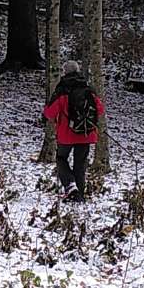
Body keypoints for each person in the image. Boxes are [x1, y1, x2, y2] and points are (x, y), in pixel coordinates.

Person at [42, 60, 104, 202]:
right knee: (80, 164)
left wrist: (46, 111)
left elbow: (50, 113)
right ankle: (79, 196)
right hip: (86, 132)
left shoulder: (62, 89)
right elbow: (100, 109)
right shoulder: (88, 88)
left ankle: (70, 185)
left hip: (66, 134)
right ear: (78, 70)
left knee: (61, 158)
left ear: (65, 72)